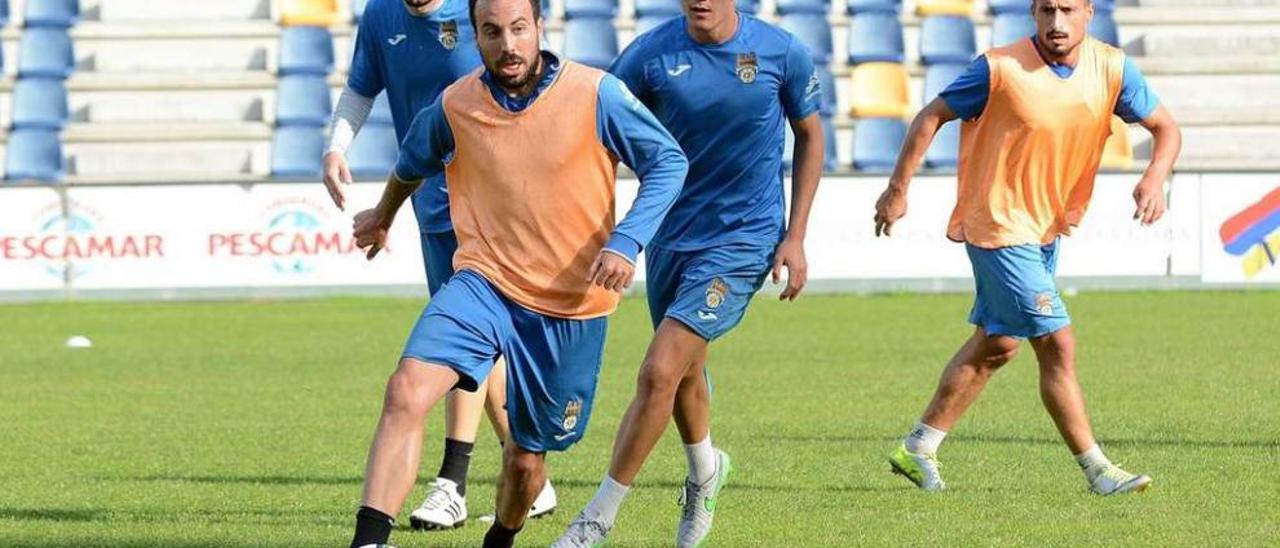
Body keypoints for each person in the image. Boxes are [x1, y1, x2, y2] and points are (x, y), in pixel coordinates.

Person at [344, 0, 689, 544]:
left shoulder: (595, 93)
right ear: (474, 39)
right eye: (492, 32)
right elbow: (412, 162)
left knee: (526, 463)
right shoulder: (456, 105)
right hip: (483, 282)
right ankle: (369, 540)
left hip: (569, 304)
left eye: (518, 29)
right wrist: (383, 215)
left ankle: (500, 538)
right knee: (407, 388)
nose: (508, 44)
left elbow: (669, 161)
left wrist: (627, 240)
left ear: (539, 29)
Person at [873, 0, 1181, 495]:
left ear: (1088, 12)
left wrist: (1154, 177)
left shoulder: (1113, 67)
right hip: (996, 222)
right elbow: (931, 115)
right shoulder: (998, 68)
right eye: (1045, 11)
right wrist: (897, 188)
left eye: (1067, 10)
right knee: (1057, 342)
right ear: (1032, 15)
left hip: (1044, 229)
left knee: (998, 343)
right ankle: (1098, 471)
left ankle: (918, 447)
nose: (1056, 23)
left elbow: (1166, 128)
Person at [554, 0, 825, 545]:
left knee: (659, 370)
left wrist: (794, 236)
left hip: (744, 240)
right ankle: (706, 470)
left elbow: (811, 136)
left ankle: (596, 519)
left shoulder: (780, 52)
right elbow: (597, 127)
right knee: (682, 376)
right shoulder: (650, 56)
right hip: (672, 241)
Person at [320, 0, 554, 528]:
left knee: (464, 339)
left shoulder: (483, 12)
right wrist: (336, 146)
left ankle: (454, 481)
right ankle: (526, 466)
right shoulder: (381, 15)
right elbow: (363, 85)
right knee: (477, 341)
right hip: (430, 201)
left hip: (490, 201)